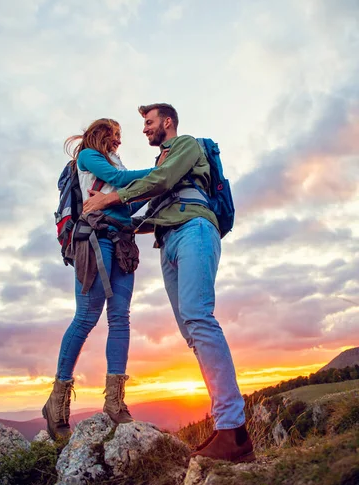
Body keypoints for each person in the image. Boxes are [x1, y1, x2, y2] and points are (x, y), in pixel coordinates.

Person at [83, 104, 255, 464]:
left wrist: (110, 197)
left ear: (168, 122)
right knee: (193, 331)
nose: (144, 129)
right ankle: (229, 429)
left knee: (199, 318)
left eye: (148, 122)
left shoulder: (186, 145)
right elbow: (153, 201)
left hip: (194, 231)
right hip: (169, 241)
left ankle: (233, 429)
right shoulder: (162, 160)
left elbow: (161, 182)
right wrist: (108, 217)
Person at [43, 118, 154, 440]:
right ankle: (57, 401)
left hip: (121, 239)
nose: (119, 140)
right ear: (100, 134)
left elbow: (129, 199)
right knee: (87, 315)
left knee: (120, 318)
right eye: (114, 134)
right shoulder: (89, 156)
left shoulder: (116, 161)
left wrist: (155, 185)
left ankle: (115, 403)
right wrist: (160, 172)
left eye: (121, 136)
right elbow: (119, 180)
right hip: (94, 238)